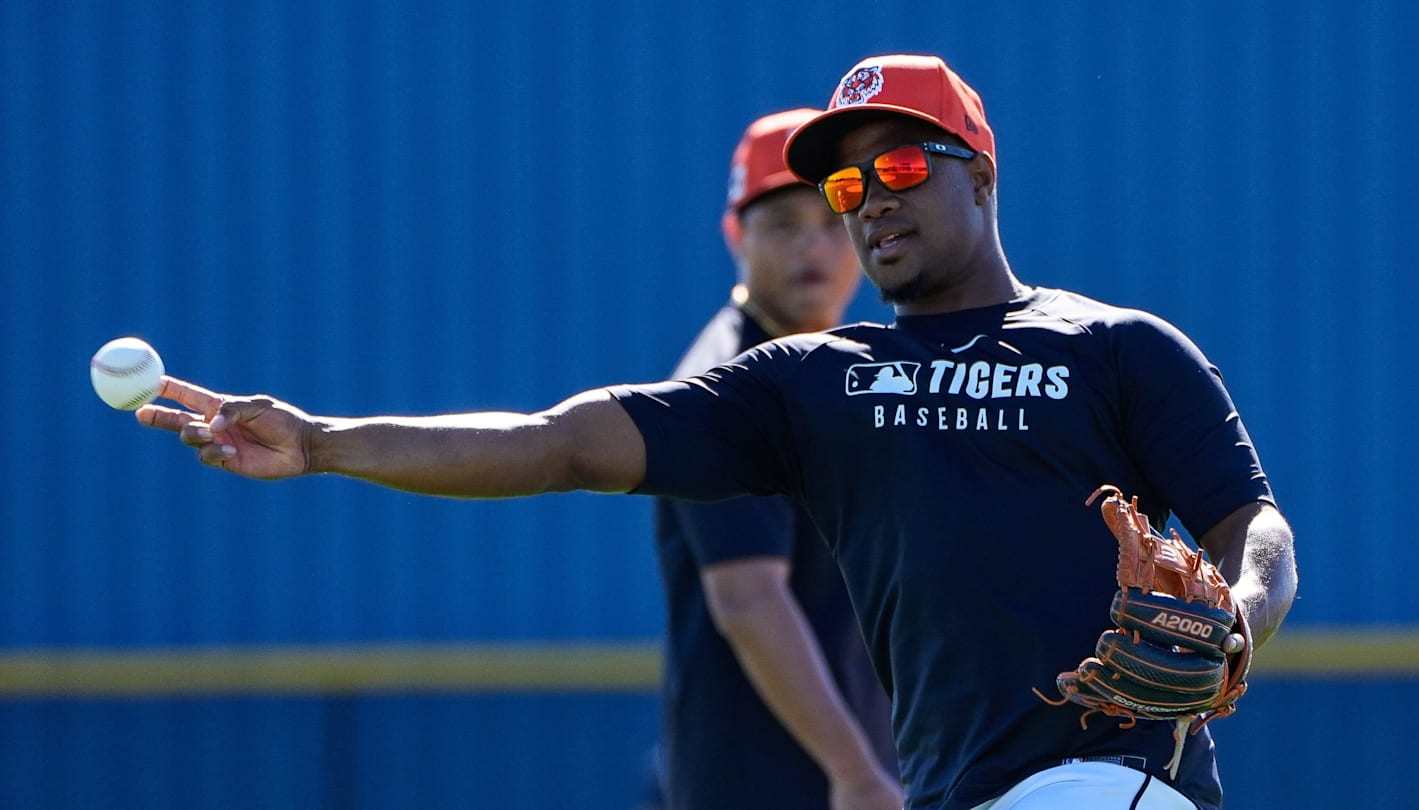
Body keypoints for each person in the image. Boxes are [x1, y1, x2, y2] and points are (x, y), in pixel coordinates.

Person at [134, 54, 1297, 810]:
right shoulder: (805, 381)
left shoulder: (1120, 349)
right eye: (848, 187)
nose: (870, 200)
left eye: (896, 164)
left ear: (980, 176)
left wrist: (1238, 619)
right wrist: (327, 439)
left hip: (1111, 777)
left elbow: (1260, 527)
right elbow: (562, 442)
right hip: (947, 791)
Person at [639, 109, 897, 810]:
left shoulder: (830, 371)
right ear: (736, 236)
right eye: (783, 223)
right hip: (772, 782)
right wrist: (857, 772)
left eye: (830, 217)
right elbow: (748, 598)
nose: (813, 246)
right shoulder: (726, 385)